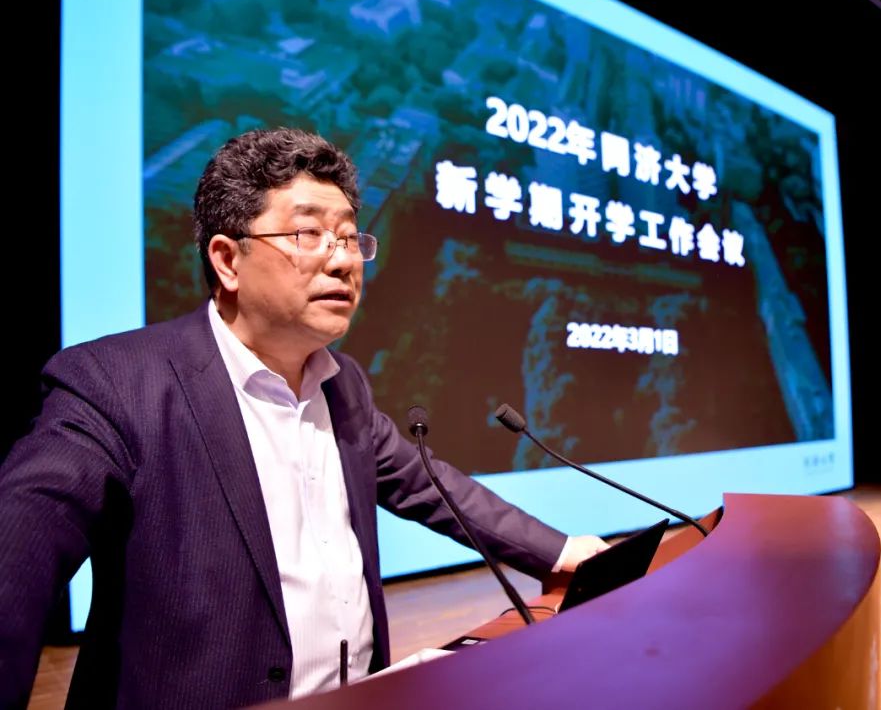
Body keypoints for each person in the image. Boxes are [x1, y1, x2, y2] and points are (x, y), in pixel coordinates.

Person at [0, 127, 608, 708]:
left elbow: (433, 488)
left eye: (349, 238)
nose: (343, 261)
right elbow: (16, 564)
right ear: (227, 261)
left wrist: (565, 554)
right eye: (308, 234)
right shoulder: (116, 384)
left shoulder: (345, 386)